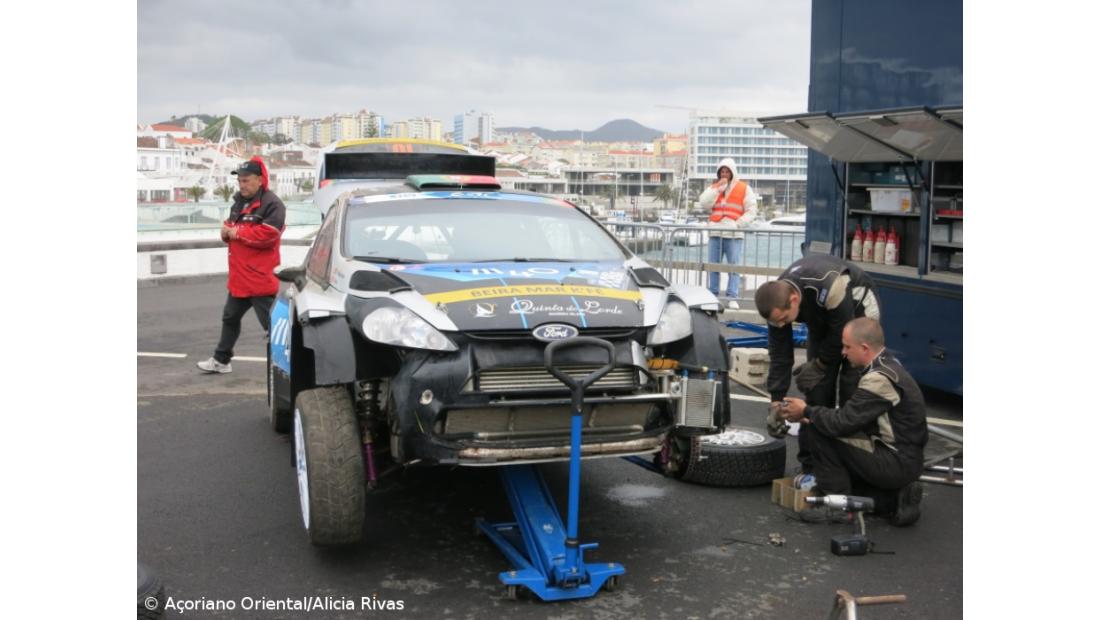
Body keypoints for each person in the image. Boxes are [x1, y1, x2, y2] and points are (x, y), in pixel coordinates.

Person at [778, 318, 927, 525]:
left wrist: (807, 411)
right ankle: (895, 500)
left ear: (864, 348)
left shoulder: (879, 378)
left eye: (847, 347)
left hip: (896, 461)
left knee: (820, 431)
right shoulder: (888, 365)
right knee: (849, 482)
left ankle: (835, 508)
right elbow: (856, 418)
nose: (843, 352)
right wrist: (809, 415)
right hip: (902, 458)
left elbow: (842, 422)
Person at [754, 254, 881, 476]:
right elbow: (780, 354)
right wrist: (775, 401)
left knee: (853, 388)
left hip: (857, 313)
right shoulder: (775, 304)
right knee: (817, 391)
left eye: (784, 319)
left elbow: (840, 336)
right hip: (822, 317)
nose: (781, 324)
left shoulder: (830, 285)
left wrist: (821, 365)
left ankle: (855, 465)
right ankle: (811, 465)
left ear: (793, 300)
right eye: (777, 322)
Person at [197, 157, 286, 374]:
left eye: (246, 181)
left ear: (260, 180)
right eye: (240, 182)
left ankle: (289, 365)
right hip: (240, 277)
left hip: (258, 277)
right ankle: (221, 360)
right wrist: (226, 232)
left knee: (272, 326)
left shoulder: (273, 204)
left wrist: (237, 232)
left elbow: (269, 235)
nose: (242, 185)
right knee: (230, 317)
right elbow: (230, 226)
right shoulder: (239, 202)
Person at [698, 157, 758, 309]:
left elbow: (752, 210)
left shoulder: (744, 188)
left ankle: (732, 296)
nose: (724, 174)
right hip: (715, 232)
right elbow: (704, 203)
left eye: (727, 171)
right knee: (713, 266)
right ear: (719, 173)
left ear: (732, 172)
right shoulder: (714, 187)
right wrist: (716, 189)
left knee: (734, 267)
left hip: (733, 233)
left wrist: (738, 225)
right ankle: (713, 295)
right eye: (722, 171)